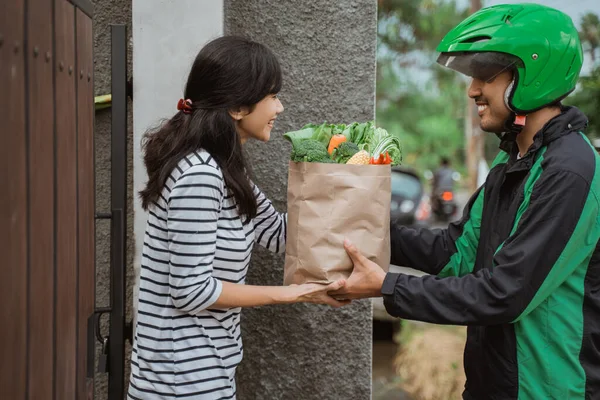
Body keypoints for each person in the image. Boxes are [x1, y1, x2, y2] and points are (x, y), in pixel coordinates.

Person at [331, 4, 600, 399]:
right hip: (493, 386)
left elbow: (505, 292)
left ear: (531, 75)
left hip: (546, 390)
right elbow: (455, 252)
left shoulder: (569, 171)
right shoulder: (514, 163)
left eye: (486, 75)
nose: (473, 89)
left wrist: (387, 287)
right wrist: (365, 230)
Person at [128, 36, 348, 400]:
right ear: (238, 108)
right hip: (178, 385)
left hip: (209, 374)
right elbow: (191, 290)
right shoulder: (200, 173)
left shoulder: (227, 172)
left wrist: (338, 178)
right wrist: (292, 295)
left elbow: (280, 235)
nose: (279, 107)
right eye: (272, 96)